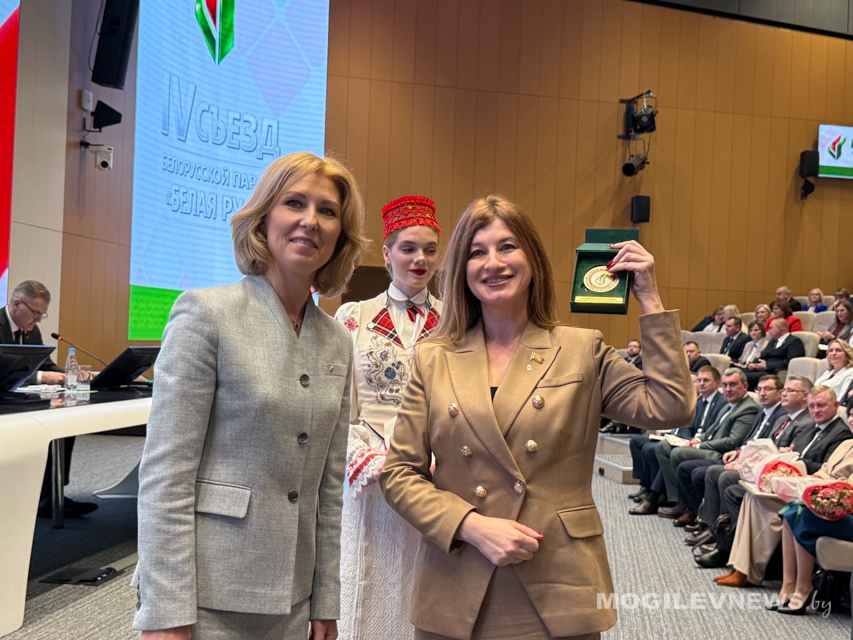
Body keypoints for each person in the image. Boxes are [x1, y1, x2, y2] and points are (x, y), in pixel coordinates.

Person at [380, 195, 694, 640]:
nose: (493, 263)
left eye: (507, 246)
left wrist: (650, 298)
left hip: (557, 581)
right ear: (462, 270)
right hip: (458, 578)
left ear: (532, 259)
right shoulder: (434, 357)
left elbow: (670, 407)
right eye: (476, 252)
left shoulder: (581, 349)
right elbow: (399, 474)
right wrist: (471, 525)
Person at [132, 152, 368, 640]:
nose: (310, 221)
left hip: (294, 598)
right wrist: (166, 611)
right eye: (294, 203)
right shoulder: (207, 313)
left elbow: (329, 488)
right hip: (208, 594)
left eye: (327, 211)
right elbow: (166, 475)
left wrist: (325, 600)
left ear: (340, 236)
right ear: (262, 219)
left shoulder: (338, 341)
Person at [334, 195, 443, 640]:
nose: (420, 260)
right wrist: (366, 459)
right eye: (408, 248)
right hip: (370, 475)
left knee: (426, 582)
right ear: (386, 252)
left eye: (430, 250)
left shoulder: (455, 322)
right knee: (366, 579)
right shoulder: (353, 317)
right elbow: (338, 407)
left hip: (433, 475)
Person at [0, 281, 97, 518]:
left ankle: (52, 495)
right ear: (16, 303)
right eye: (35, 313)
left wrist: (68, 375)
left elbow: (46, 364)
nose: (39, 320)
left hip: (20, 400)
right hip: (4, 403)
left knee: (65, 420)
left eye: (42, 315)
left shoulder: (31, 330)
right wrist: (41, 377)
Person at [745, 318, 805, 390]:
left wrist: (767, 365)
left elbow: (791, 362)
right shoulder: (772, 341)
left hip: (774, 372)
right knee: (738, 372)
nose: (769, 331)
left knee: (742, 377)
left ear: (780, 329)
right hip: (761, 370)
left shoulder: (794, 342)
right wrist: (753, 364)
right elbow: (763, 356)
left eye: (771, 328)